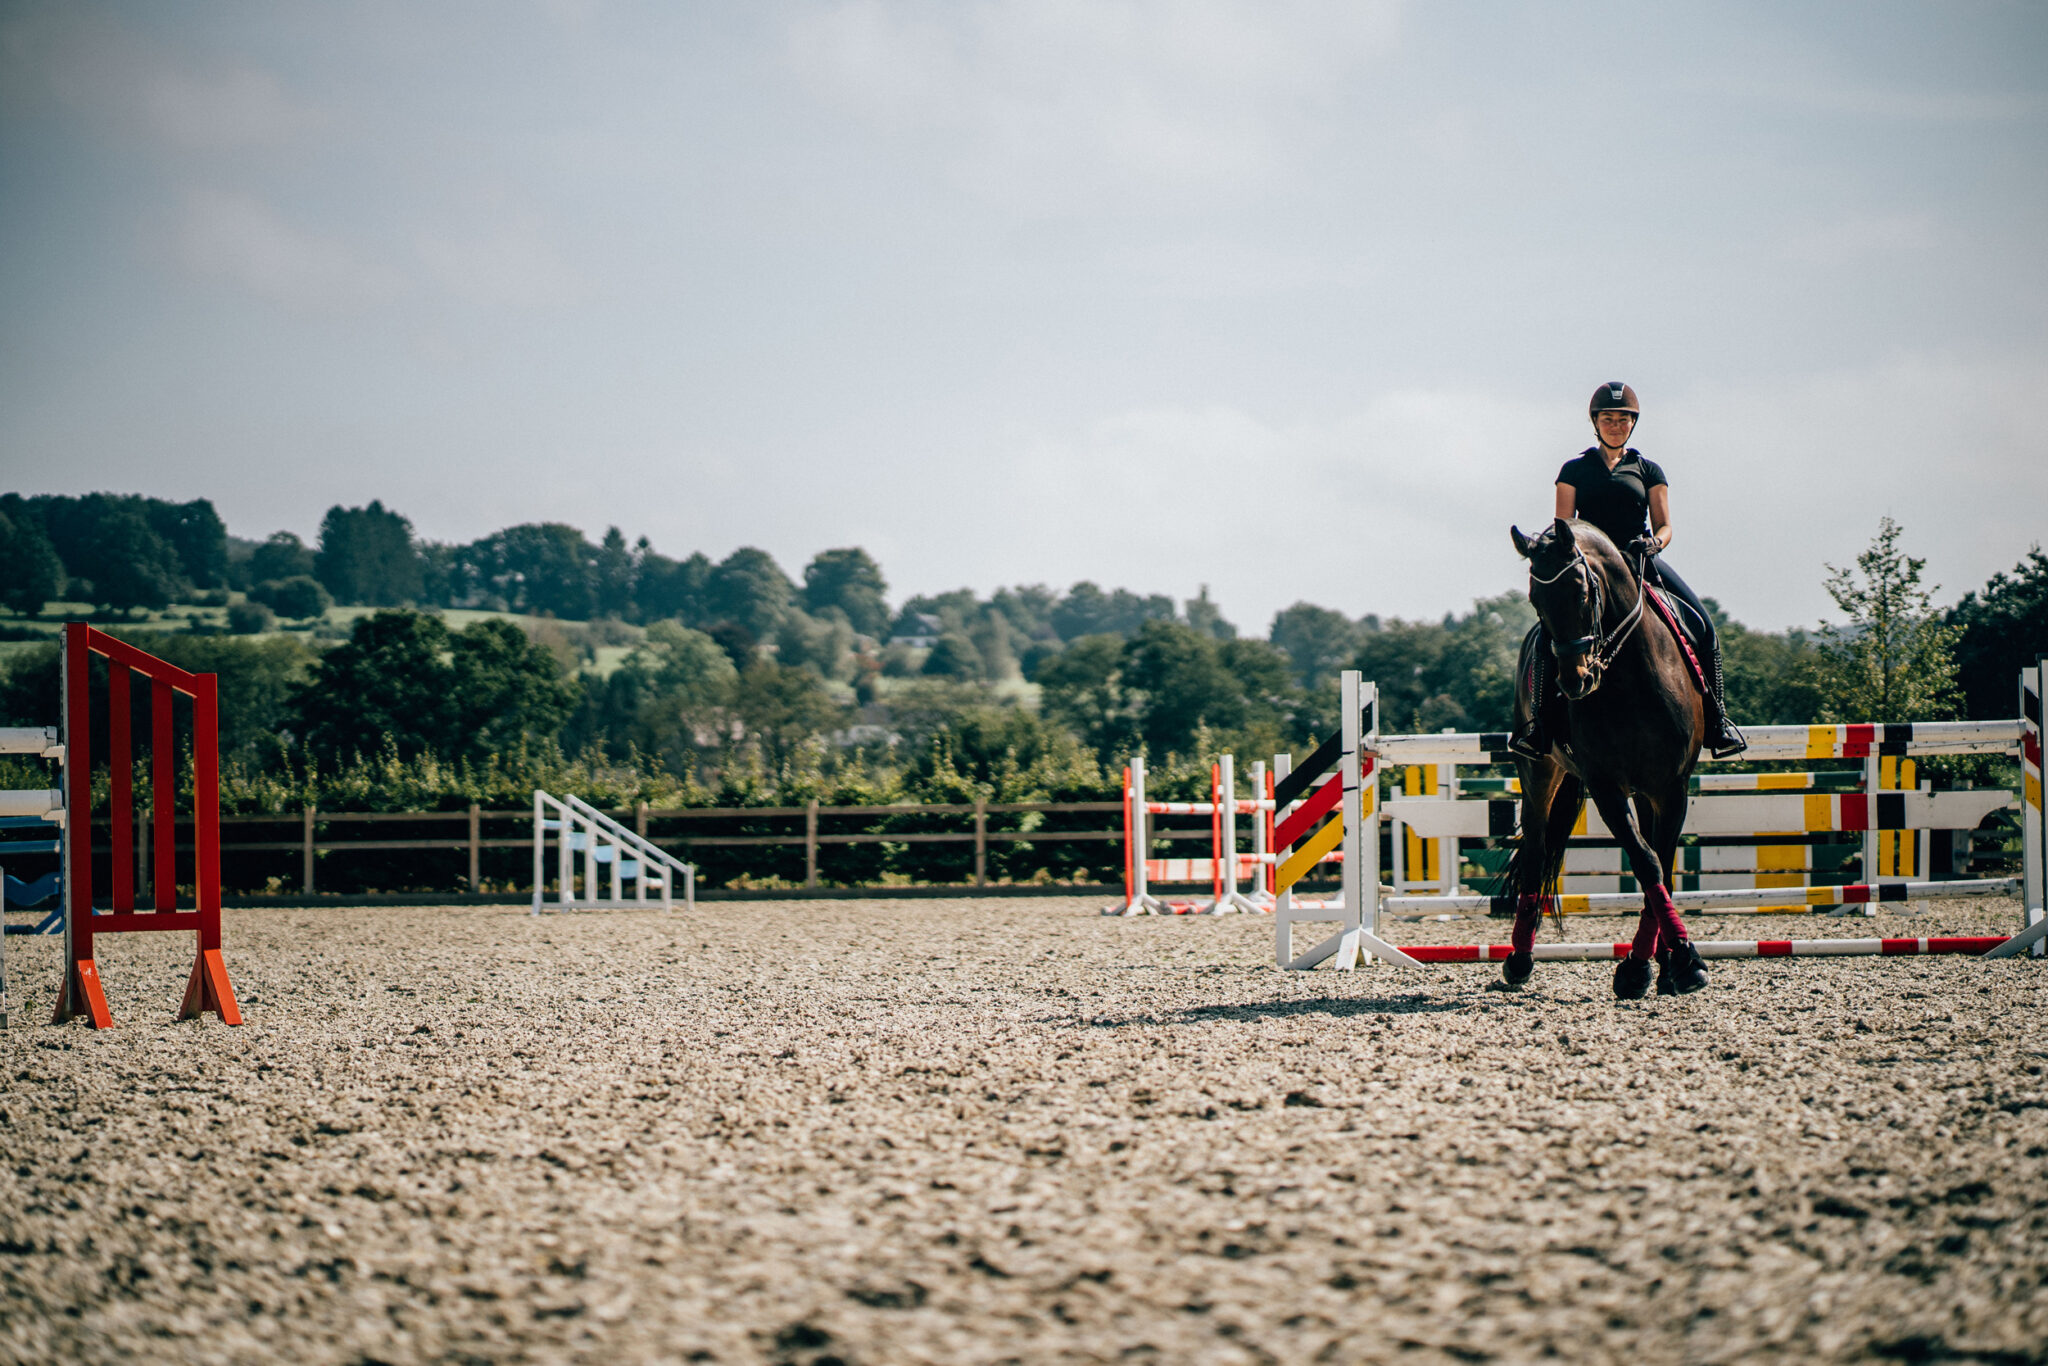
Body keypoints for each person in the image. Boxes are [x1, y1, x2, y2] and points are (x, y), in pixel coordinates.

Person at [1510, 381, 1746, 760]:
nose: (1615, 425)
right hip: (1592, 569)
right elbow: (1562, 529)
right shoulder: (1574, 470)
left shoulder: (1647, 469)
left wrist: (1656, 542)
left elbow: (1665, 525)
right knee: (1546, 638)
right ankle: (1538, 727)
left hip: (1640, 561)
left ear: (1632, 424)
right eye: (1608, 418)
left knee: (1703, 625)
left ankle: (1718, 723)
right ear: (1596, 422)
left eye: (1623, 419)